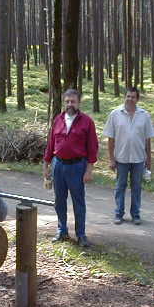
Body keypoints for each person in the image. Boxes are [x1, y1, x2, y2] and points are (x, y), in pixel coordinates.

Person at [43, 89, 99, 248]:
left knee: (78, 202)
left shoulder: (87, 121)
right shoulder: (58, 120)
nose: (69, 104)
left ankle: (81, 235)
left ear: (78, 103)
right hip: (58, 165)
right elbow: (51, 144)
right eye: (67, 101)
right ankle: (62, 231)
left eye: (73, 101)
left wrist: (89, 170)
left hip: (77, 166)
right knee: (59, 200)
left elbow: (92, 148)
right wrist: (46, 165)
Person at [103, 87, 154, 225]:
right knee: (120, 186)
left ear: (137, 99)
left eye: (133, 97)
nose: (130, 99)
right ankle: (118, 214)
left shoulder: (144, 115)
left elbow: (147, 140)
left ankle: (136, 215)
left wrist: (148, 160)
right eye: (128, 96)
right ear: (124, 97)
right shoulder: (115, 114)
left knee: (136, 187)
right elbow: (110, 138)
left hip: (139, 158)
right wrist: (111, 159)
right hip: (121, 158)